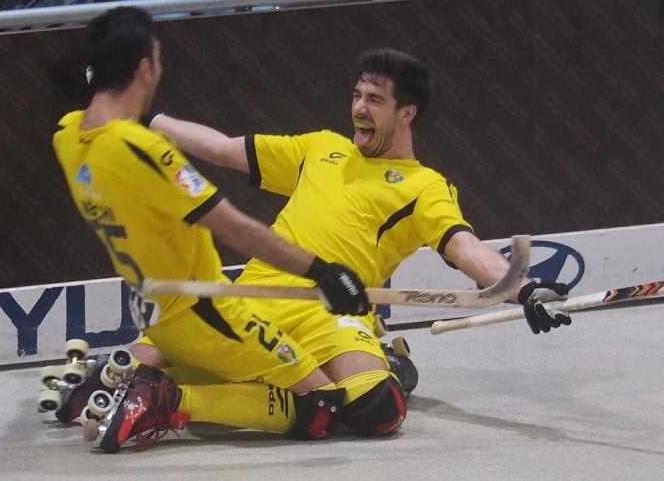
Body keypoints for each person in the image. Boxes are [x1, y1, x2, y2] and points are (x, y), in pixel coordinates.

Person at [130, 47, 574, 436]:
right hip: (258, 297)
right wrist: (146, 118)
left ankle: (179, 403)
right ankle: (362, 362)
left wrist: (524, 287)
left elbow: (465, 247)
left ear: (406, 113)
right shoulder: (320, 148)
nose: (359, 108)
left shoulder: (424, 187)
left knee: (378, 408)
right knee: (131, 371)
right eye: (357, 95)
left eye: (375, 100)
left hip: (328, 315)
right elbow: (222, 148)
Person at [52, 6, 372, 453]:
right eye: (158, 58)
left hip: (152, 310)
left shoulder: (68, 137)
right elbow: (234, 228)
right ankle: (169, 400)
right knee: (324, 406)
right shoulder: (142, 148)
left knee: (255, 370)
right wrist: (322, 271)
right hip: (202, 308)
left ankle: (123, 380)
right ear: (144, 67)